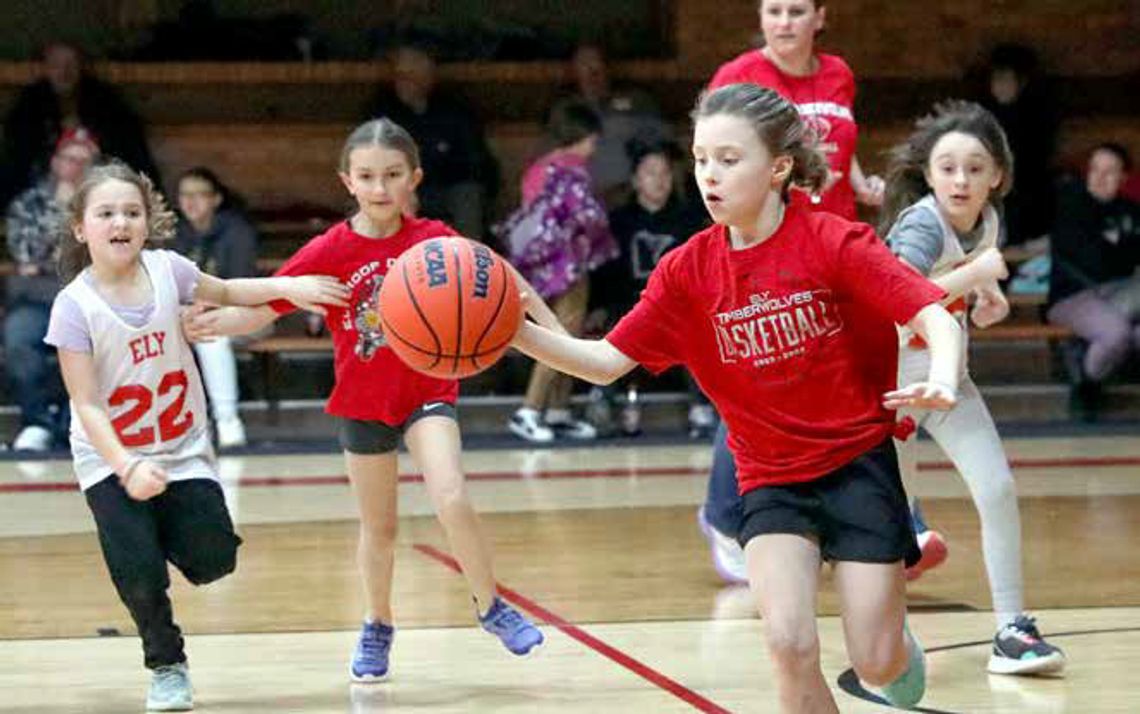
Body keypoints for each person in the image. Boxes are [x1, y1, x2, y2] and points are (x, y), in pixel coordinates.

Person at [513, 83, 964, 712]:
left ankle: (896, 647)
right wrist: (514, 331)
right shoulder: (687, 272)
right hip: (771, 480)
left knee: (877, 661)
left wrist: (942, 376)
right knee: (787, 643)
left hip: (857, 465)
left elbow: (932, 315)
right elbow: (605, 363)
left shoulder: (833, 241)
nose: (708, 175)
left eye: (728, 159)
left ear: (778, 167)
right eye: (701, 159)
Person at [182, 119, 553, 682]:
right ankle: (378, 624)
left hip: (428, 392)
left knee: (451, 495)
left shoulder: (436, 239)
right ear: (347, 181)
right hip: (362, 400)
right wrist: (216, 325)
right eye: (367, 177)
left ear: (415, 179)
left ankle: (491, 605)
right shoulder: (331, 248)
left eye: (393, 175)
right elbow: (265, 306)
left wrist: (568, 344)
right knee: (379, 530)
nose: (380, 188)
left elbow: (511, 286)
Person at [43, 161, 348, 711]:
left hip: (182, 450)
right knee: (140, 576)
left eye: (131, 211)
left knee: (215, 561)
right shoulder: (74, 306)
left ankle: (156, 533)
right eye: (106, 213)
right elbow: (85, 404)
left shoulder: (169, 270)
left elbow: (230, 289)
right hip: (110, 459)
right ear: (80, 229)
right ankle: (166, 663)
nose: (121, 221)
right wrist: (126, 467)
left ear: (148, 221)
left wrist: (291, 286)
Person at [699, 0, 887, 579]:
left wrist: (862, 184)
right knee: (761, 384)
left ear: (820, 17)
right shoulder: (738, 77)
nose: (783, 22)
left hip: (834, 244)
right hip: (769, 248)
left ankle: (875, 514)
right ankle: (724, 512)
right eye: (773, 10)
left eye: (796, 10)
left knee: (847, 380)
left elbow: (837, 146)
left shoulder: (839, 74)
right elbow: (716, 161)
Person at [880, 101, 1066, 675]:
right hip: (889, 391)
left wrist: (988, 300)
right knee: (886, 521)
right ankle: (887, 644)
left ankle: (1012, 628)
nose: (961, 179)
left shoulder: (987, 222)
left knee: (998, 491)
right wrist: (977, 277)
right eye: (948, 168)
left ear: (997, 176)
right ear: (929, 175)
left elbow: (955, 299)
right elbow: (899, 306)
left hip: (949, 384)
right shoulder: (920, 223)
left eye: (975, 168)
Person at [499, 100, 619, 443]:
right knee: (563, 336)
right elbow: (588, 217)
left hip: (541, 266)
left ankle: (558, 411)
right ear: (582, 137)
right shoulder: (572, 169)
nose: (593, 148)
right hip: (569, 266)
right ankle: (531, 409)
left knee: (567, 333)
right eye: (593, 140)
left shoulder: (539, 167)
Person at [591, 137, 712, 437]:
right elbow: (605, 274)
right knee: (612, 324)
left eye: (665, 173)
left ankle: (701, 404)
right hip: (629, 303)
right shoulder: (618, 222)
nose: (659, 181)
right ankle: (602, 400)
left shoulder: (689, 219)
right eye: (650, 173)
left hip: (676, 305)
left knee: (696, 325)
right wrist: (598, 306)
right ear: (635, 180)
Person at [5, 128, 99, 451]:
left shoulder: (103, 204)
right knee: (18, 338)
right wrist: (63, 216)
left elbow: (100, 256)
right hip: (35, 298)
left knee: (87, 341)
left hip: (88, 297)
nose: (75, 167)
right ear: (56, 161)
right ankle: (37, 422)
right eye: (69, 159)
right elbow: (26, 255)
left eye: (84, 161)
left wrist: (52, 261)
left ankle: (70, 423)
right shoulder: (29, 202)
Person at [0, 41, 160, 207]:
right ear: (45, 68)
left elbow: (132, 159)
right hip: (44, 199)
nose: (64, 71)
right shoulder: (27, 110)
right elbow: (17, 166)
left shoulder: (108, 106)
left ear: (81, 66)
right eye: (56, 64)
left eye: (71, 63)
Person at [367, 41, 500, 240]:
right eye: (400, 76)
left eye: (411, 75)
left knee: (467, 195)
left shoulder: (455, 110)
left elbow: (476, 165)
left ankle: (468, 262)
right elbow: (372, 161)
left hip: (448, 189)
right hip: (404, 190)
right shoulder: (383, 111)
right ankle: (397, 264)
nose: (404, 82)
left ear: (428, 75)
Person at [1047, 143, 1140, 418]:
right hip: (1074, 297)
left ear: (1124, 178)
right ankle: (1086, 382)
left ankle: (1082, 355)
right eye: (1095, 170)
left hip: (1121, 292)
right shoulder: (1070, 206)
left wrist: (1116, 250)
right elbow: (1096, 262)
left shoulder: (1131, 211)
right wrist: (1122, 251)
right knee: (1118, 333)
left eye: (1109, 172)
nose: (1099, 177)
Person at [174, 167, 260, 448]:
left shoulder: (237, 232)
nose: (191, 202)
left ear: (216, 199)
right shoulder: (173, 233)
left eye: (200, 195)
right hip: (186, 315)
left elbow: (240, 287)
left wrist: (200, 307)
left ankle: (227, 421)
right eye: (185, 195)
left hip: (243, 312)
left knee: (211, 336)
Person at [552, 43, 672, 204]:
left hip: (632, 197)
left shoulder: (636, 100)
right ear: (573, 71)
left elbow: (665, 137)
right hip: (583, 198)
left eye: (596, 62)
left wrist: (634, 126)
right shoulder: (565, 109)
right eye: (584, 63)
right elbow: (551, 156)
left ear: (608, 67)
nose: (592, 70)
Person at [975, 43, 1058, 246]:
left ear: (1021, 83)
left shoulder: (1036, 118)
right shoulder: (981, 116)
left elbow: (1034, 163)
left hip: (1026, 196)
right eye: (996, 80)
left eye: (1006, 80)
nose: (1000, 86)